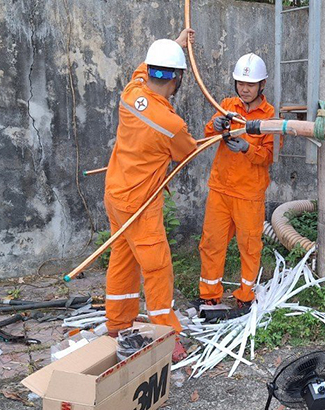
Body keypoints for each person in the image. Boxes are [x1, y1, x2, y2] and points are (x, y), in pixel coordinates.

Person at [104, 29, 197, 362]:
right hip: (139, 204)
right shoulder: (171, 123)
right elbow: (186, 152)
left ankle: (117, 323)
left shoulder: (131, 92)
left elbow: (146, 67)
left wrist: (174, 45)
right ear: (177, 80)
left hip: (115, 193)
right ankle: (166, 334)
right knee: (157, 267)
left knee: (123, 257)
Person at [196, 53, 280, 310]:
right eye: (241, 83)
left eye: (250, 84)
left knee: (250, 245)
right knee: (211, 242)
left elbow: (269, 156)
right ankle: (209, 294)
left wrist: (247, 148)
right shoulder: (227, 105)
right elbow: (208, 133)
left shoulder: (269, 116)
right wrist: (216, 124)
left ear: (261, 85)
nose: (245, 89)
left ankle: (246, 296)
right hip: (220, 189)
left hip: (249, 193)